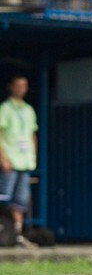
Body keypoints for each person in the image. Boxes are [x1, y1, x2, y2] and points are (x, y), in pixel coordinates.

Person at [0, 75, 38, 248]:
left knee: (20, 201)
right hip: (10, 160)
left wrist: (33, 156)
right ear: (11, 87)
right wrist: (3, 158)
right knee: (3, 197)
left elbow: (32, 134)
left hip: (25, 161)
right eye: (18, 85)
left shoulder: (29, 110)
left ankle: (16, 235)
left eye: (25, 85)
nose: (22, 89)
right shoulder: (5, 109)